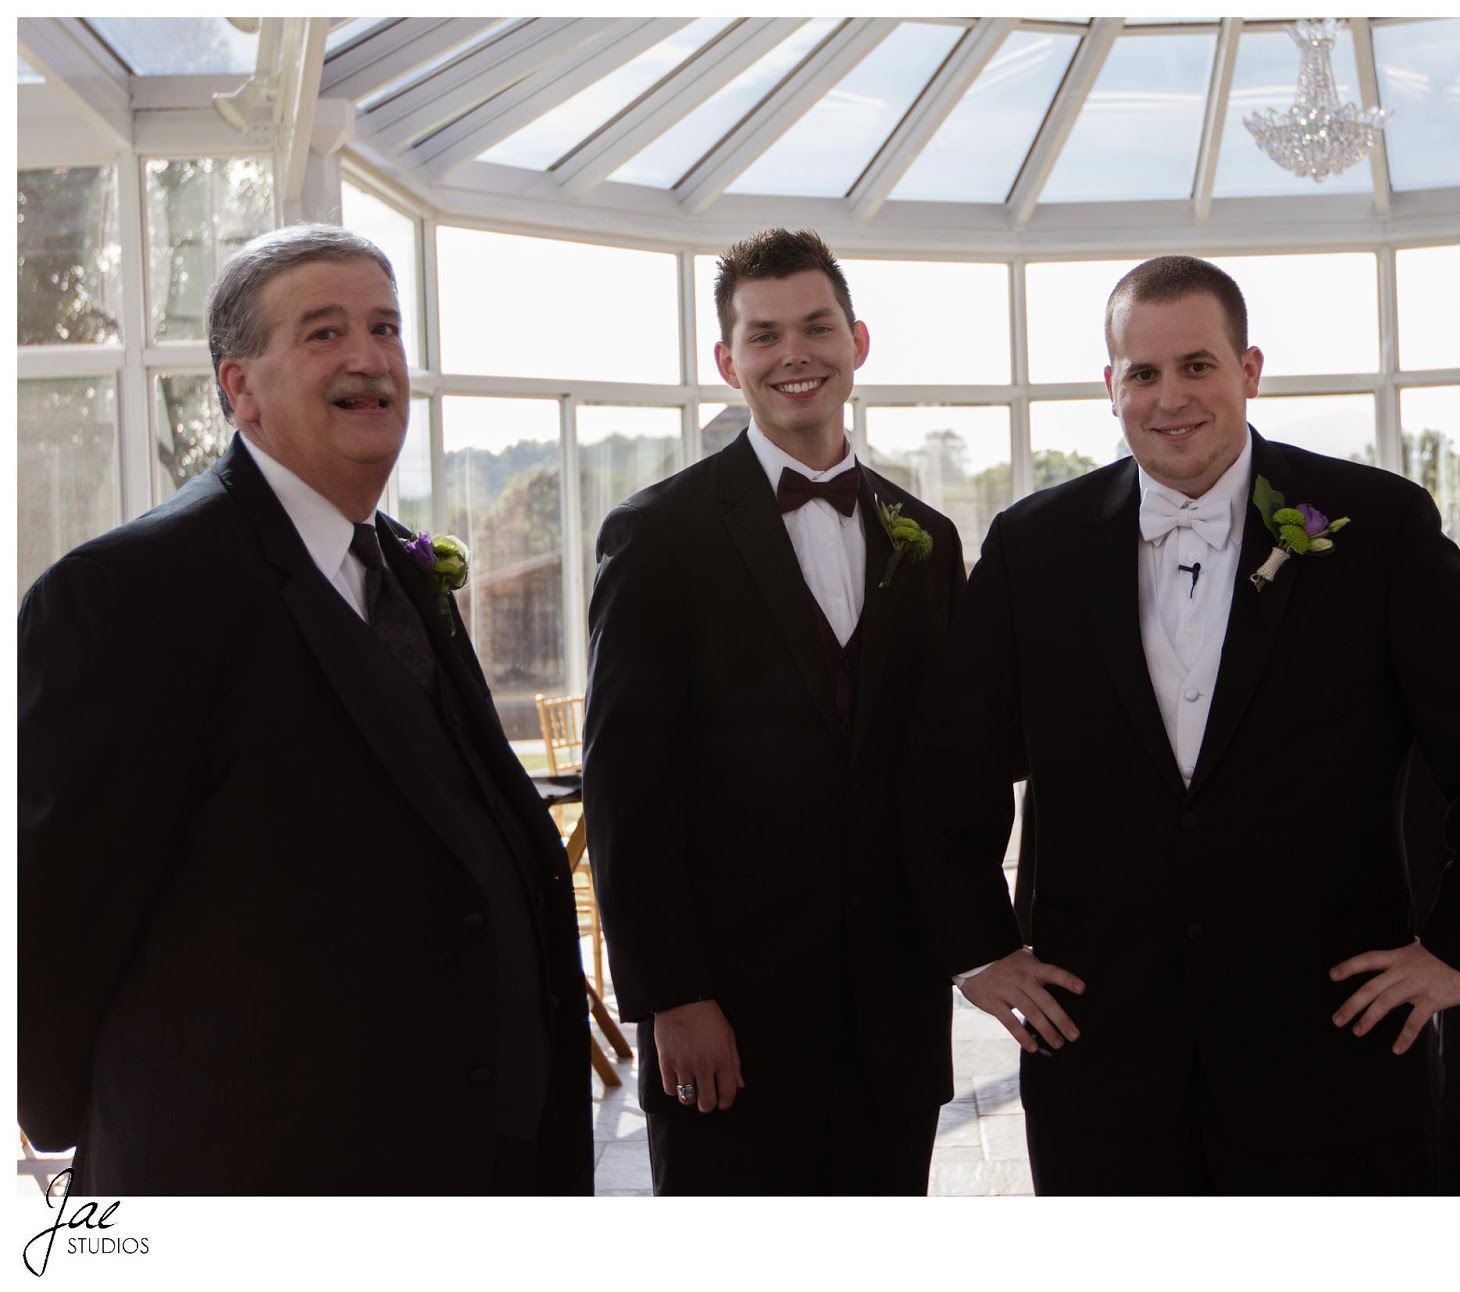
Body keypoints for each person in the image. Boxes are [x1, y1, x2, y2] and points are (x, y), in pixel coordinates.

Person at [907, 254, 1460, 1194]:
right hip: (1101, 1059)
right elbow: (947, 766)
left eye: (1198, 366)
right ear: (1111, 387)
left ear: (1249, 371)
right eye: (1143, 373)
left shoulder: (1375, 527)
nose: (1171, 397)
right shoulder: (1031, 547)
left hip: (1335, 1055)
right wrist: (977, 946)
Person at [17, 223, 593, 1195]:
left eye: (385, 327)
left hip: (478, 1156)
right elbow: (61, 905)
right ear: (238, 388)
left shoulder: (405, 569)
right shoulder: (128, 592)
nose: (369, 357)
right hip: (268, 1160)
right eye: (324, 333)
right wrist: (82, 1116)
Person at [583, 228, 965, 1194]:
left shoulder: (928, 540)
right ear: (727, 361)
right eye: (763, 336)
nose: (794, 354)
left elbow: (944, 767)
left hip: (892, 1017)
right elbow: (628, 787)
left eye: (817, 327)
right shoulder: (655, 535)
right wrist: (674, 995)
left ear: (858, 342)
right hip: (727, 1020)